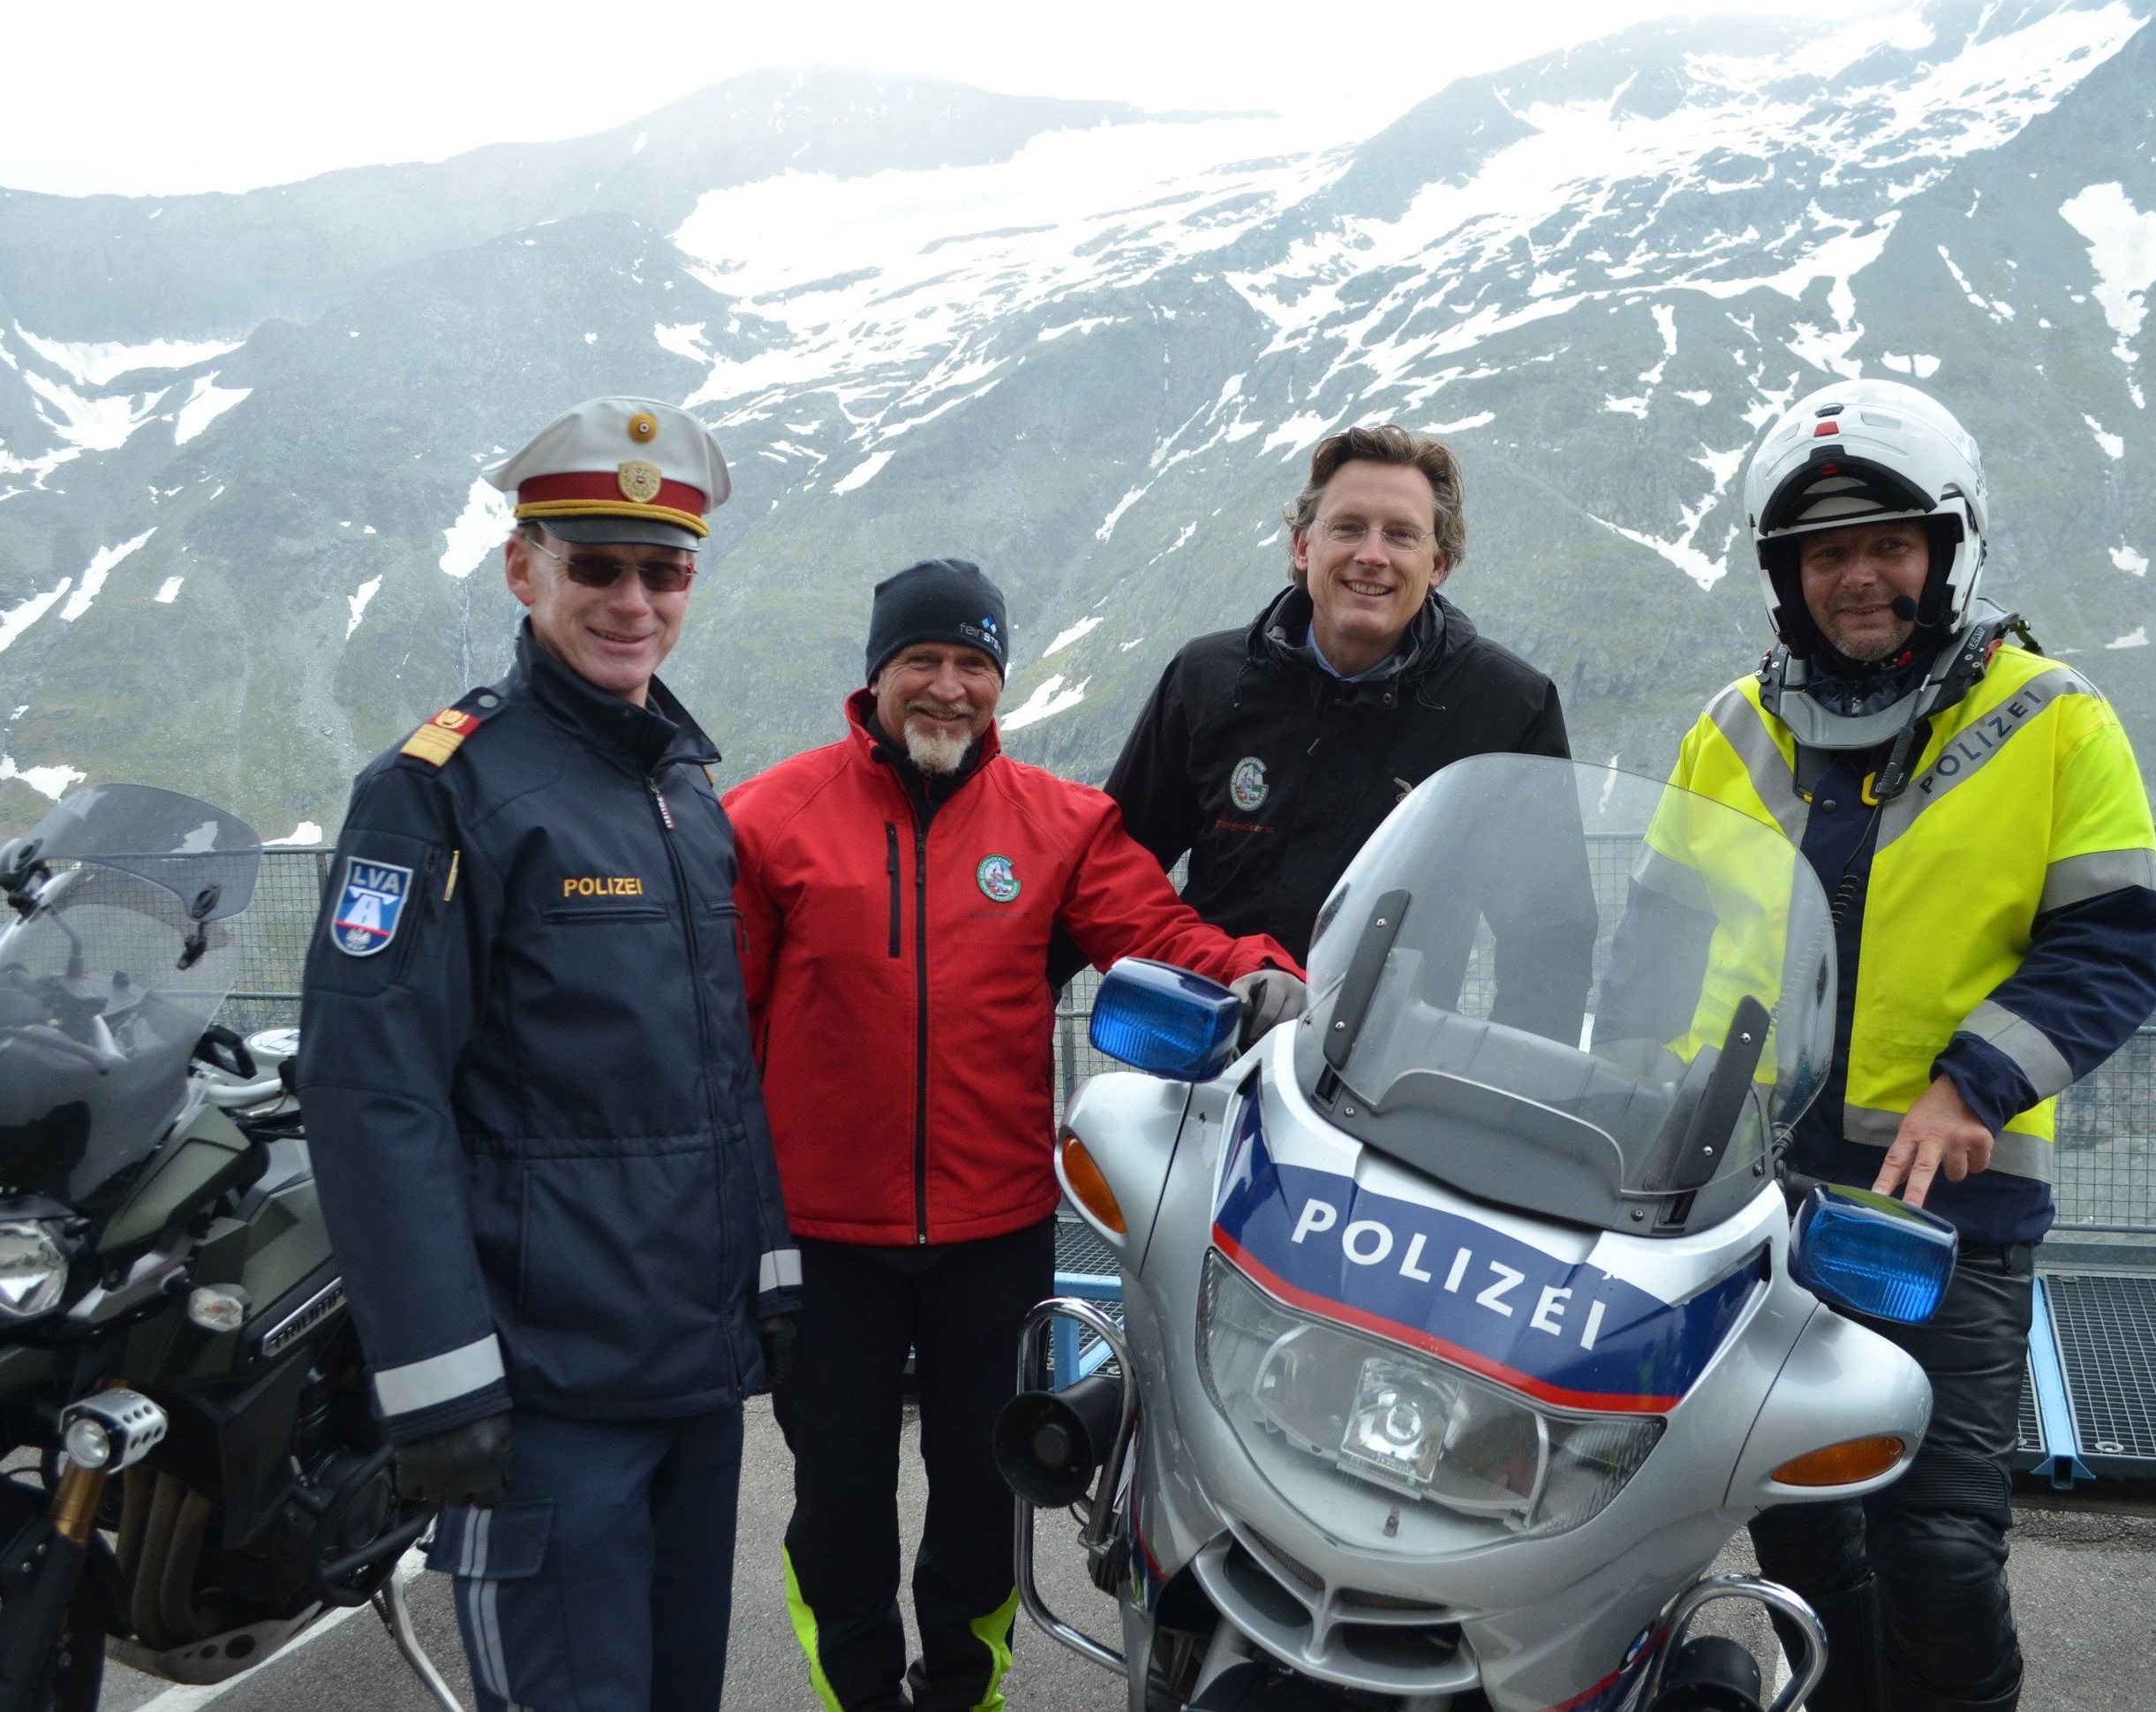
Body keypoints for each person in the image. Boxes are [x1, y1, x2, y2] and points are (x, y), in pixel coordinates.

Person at [1660, 379, 2156, 1712]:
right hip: (1755, 1201)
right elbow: (1666, 940)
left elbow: (2114, 934)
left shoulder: (2053, 717)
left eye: (1887, 542)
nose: (1858, 576)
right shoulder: (1729, 729)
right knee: (1804, 1532)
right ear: (1787, 574)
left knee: (1937, 1548)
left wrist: (1974, 1082)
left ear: (1947, 549)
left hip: (1950, 1212)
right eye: (1824, 552)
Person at [724, 558, 1303, 1712]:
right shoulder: (768, 818)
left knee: (982, 1495)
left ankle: (964, 1687)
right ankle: (858, 1691)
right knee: (835, 1494)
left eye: (973, 665)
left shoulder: (1061, 823)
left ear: (1000, 681)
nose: (947, 688)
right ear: (877, 674)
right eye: (922, 662)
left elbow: (1158, 929)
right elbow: (719, 1030)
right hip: (821, 1235)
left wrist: (1260, 969)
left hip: (993, 1227)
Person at [298, 397, 801, 1712]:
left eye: (665, 568)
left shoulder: (684, 791)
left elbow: (716, 1078)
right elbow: (371, 1094)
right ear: (524, 569)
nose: (632, 598)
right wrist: (437, 1375)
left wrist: (773, 1276)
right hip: (540, 1396)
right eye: (596, 564)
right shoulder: (438, 790)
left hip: (688, 1379)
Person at [1074, 424, 1582, 1035]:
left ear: (1438, 565)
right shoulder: (1206, 679)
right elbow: (1113, 865)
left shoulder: (1505, 707)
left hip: (1384, 1084)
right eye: (1347, 527)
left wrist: (1508, 1100)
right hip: (1206, 1055)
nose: (1371, 554)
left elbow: (1548, 934)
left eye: (1400, 534)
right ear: (1301, 545)